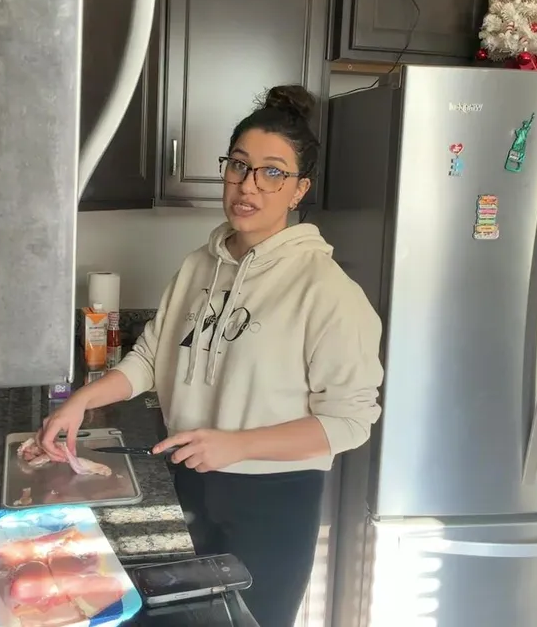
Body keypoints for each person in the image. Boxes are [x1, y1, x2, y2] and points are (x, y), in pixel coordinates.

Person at [37, 84, 383, 627]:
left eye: (272, 173)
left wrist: (237, 445)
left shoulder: (328, 291)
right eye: (239, 166)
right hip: (190, 481)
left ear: (299, 189)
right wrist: (83, 400)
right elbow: (151, 357)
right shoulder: (199, 266)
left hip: (274, 499)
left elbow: (350, 421)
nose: (249, 185)